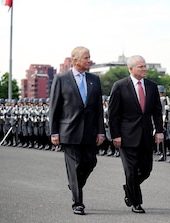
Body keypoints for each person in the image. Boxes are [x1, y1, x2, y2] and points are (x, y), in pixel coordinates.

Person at [49, 46, 105, 215]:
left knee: (90, 162)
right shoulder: (61, 79)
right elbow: (54, 108)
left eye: (90, 57)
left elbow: (98, 109)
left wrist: (101, 131)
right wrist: (54, 132)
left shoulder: (94, 79)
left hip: (89, 132)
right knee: (74, 166)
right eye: (86, 57)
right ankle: (78, 203)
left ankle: (75, 184)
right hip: (68, 131)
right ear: (75, 60)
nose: (90, 60)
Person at [108, 55, 164, 213]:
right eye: (141, 66)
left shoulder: (152, 86)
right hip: (126, 136)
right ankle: (136, 202)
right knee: (131, 169)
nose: (144, 69)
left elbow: (157, 112)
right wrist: (115, 134)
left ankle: (129, 188)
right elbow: (113, 114)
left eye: (145, 66)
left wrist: (159, 131)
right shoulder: (119, 86)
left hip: (146, 134)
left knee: (146, 169)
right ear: (130, 68)